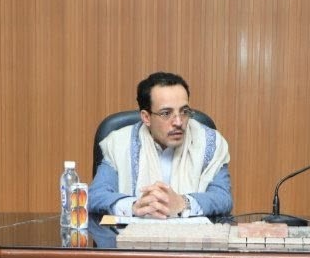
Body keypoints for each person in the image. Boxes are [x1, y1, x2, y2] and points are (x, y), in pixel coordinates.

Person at [89, 72, 232, 218]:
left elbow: (222, 197)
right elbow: (96, 195)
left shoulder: (209, 142)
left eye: (184, 111)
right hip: (133, 232)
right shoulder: (120, 143)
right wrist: (134, 206)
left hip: (194, 233)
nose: (178, 122)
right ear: (146, 117)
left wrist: (184, 203)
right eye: (166, 113)